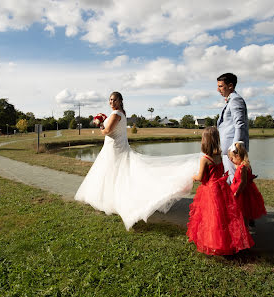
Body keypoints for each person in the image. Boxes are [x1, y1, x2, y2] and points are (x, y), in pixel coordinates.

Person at [75, 92, 202, 230]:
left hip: (115, 149)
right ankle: (112, 200)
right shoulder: (120, 113)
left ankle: (114, 201)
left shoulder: (117, 114)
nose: (111, 102)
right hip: (114, 147)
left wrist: (99, 124)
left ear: (120, 101)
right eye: (110, 100)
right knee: (114, 174)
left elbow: (107, 131)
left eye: (114, 100)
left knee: (112, 173)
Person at [186, 127, 254, 256]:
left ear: (204, 141)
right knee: (222, 216)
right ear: (217, 140)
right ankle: (227, 240)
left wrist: (193, 177)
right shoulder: (219, 155)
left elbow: (201, 178)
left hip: (210, 190)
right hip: (221, 188)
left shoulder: (204, 159)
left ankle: (213, 243)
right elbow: (219, 172)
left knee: (211, 217)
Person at [216, 73, 249, 184]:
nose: (218, 90)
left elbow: (240, 124)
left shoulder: (236, 100)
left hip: (232, 149)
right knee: (230, 179)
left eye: (221, 86)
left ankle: (237, 201)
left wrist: (235, 147)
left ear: (230, 86)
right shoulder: (230, 100)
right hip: (227, 148)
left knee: (235, 180)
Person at [228, 141, 267, 227]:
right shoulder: (242, 165)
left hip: (243, 193)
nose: (231, 160)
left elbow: (243, 182)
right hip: (242, 190)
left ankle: (245, 231)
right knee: (241, 212)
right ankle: (243, 227)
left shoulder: (243, 167)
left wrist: (237, 193)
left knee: (244, 212)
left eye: (232, 158)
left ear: (238, 156)